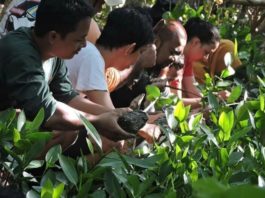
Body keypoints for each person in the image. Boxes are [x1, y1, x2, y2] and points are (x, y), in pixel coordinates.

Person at [0, 0, 134, 159]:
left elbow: (67, 96)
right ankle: (10, 175)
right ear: (53, 36)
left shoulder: (52, 53)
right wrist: (97, 121)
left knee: (68, 131)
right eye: (79, 39)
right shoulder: (21, 54)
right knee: (62, 128)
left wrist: (113, 114)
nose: (84, 45)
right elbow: (50, 112)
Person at [66, 6, 154, 109]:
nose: (138, 59)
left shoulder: (91, 53)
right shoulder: (93, 59)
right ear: (130, 48)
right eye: (141, 52)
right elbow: (110, 114)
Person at [111, 19, 187, 108]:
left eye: (179, 55)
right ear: (156, 42)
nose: (175, 60)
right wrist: (138, 66)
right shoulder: (130, 56)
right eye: (173, 52)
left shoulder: (159, 69)